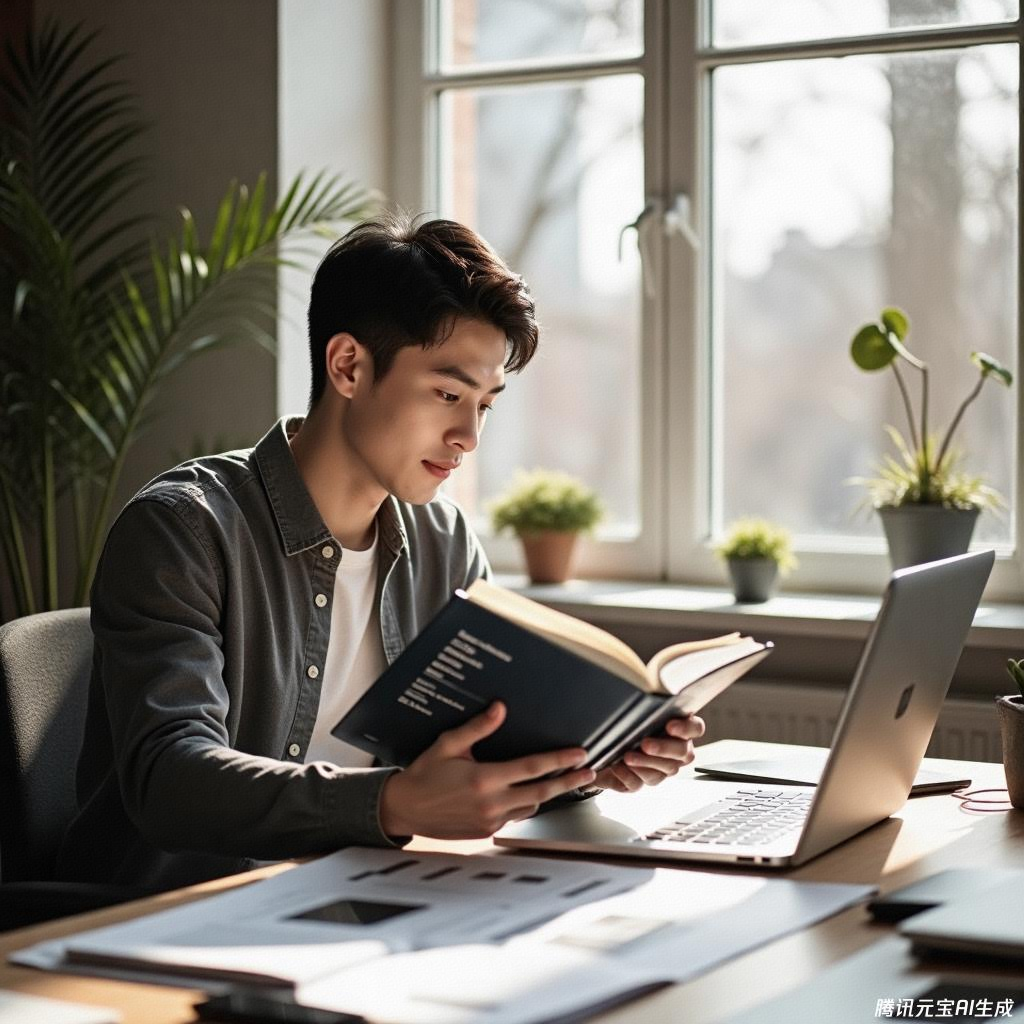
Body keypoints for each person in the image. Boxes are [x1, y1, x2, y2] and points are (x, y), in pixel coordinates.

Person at [57, 216, 704, 892]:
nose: (468, 436)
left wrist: (590, 760)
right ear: (348, 366)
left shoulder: (442, 543)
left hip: (368, 898)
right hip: (167, 924)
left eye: (485, 405)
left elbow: (479, 755)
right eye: (448, 394)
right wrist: (389, 803)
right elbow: (170, 779)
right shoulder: (184, 529)